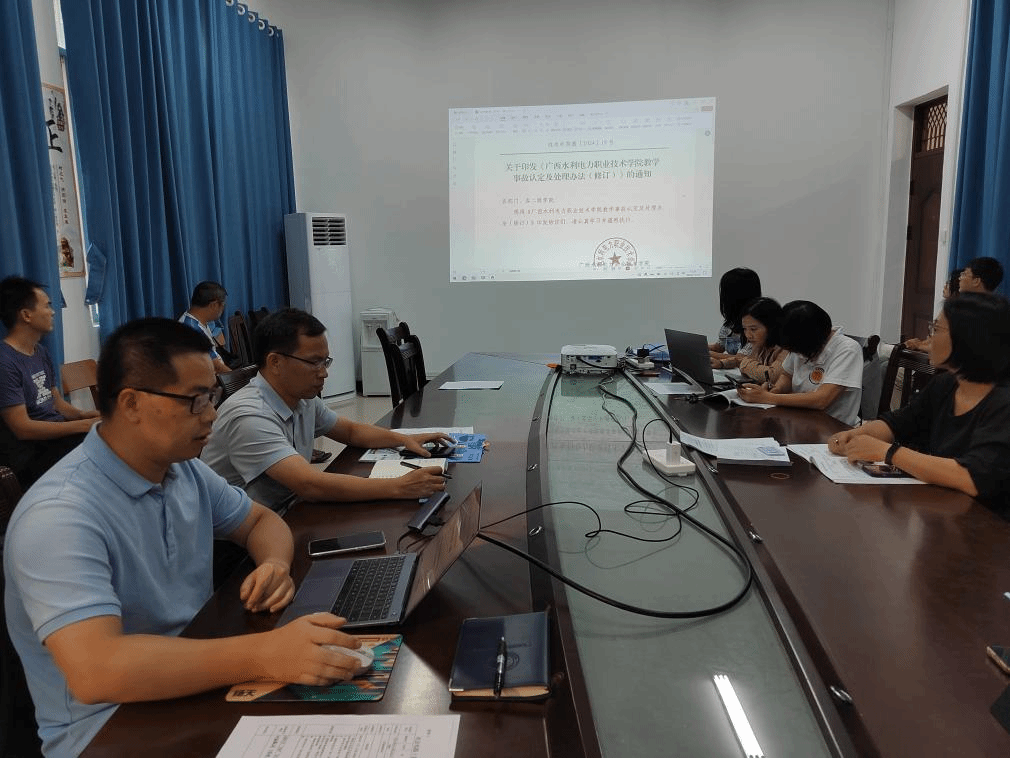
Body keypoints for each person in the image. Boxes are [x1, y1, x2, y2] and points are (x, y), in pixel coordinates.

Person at [3, 318, 365, 758]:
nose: (211, 414)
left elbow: (260, 522)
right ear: (132, 403)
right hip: (112, 730)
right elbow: (98, 671)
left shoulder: (181, 469)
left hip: (195, 679)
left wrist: (274, 564)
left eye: (212, 396)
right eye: (195, 400)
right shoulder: (59, 516)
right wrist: (264, 653)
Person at [201, 308, 451, 510]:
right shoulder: (249, 415)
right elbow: (310, 485)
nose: (324, 373)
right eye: (314, 362)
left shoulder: (301, 396)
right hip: (240, 540)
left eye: (325, 361)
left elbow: (350, 431)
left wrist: (404, 439)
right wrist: (398, 487)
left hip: (287, 510)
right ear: (275, 362)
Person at [828, 293, 1010, 518]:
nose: (928, 337)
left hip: (989, 524)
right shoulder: (945, 384)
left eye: (936, 329)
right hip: (945, 511)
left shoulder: (1003, 402)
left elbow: (972, 478)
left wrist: (888, 452)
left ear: (967, 338)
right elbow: (898, 423)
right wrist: (855, 435)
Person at [0, 276, 99, 486]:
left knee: (113, 434)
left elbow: (56, 403)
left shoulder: (41, 351)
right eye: (47, 306)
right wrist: (83, 425)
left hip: (56, 439)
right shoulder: (4, 361)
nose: (53, 312)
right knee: (106, 447)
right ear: (26, 315)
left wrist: (84, 415)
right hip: (30, 455)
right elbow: (22, 428)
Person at [737, 300, 863, 425]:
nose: (798, 355)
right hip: (798, 420)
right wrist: (776, 390)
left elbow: (822, 399)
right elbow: (787, 374)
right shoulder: (800, 340)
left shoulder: (847, 349)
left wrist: (768, 398)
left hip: (832, 427)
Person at [708, 268, 761, 368]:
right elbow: (719, 347)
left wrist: (705, 353)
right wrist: (696, 347)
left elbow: (740, 358)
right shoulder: (731, 323)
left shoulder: (757, 326)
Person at [731, 297, 787, 385]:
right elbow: (747, 371)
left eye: (753, 329)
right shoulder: (760, 344)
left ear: (771, 327)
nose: (748, 335)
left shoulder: (786, 348)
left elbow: (771, 377)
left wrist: (744, 364)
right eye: (745, 329)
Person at [904, 267, 962, 352]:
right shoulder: (948, 308)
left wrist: (918, 345)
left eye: (949, 283)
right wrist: (920, 343)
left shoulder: (959, 314)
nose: (945, 286)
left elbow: (944, 347)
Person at [178, 280, 231, 373]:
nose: (223, 309)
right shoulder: (192, 330)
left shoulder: (195, 320)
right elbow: (217, 367)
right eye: (223, 305)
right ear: (214, 305)